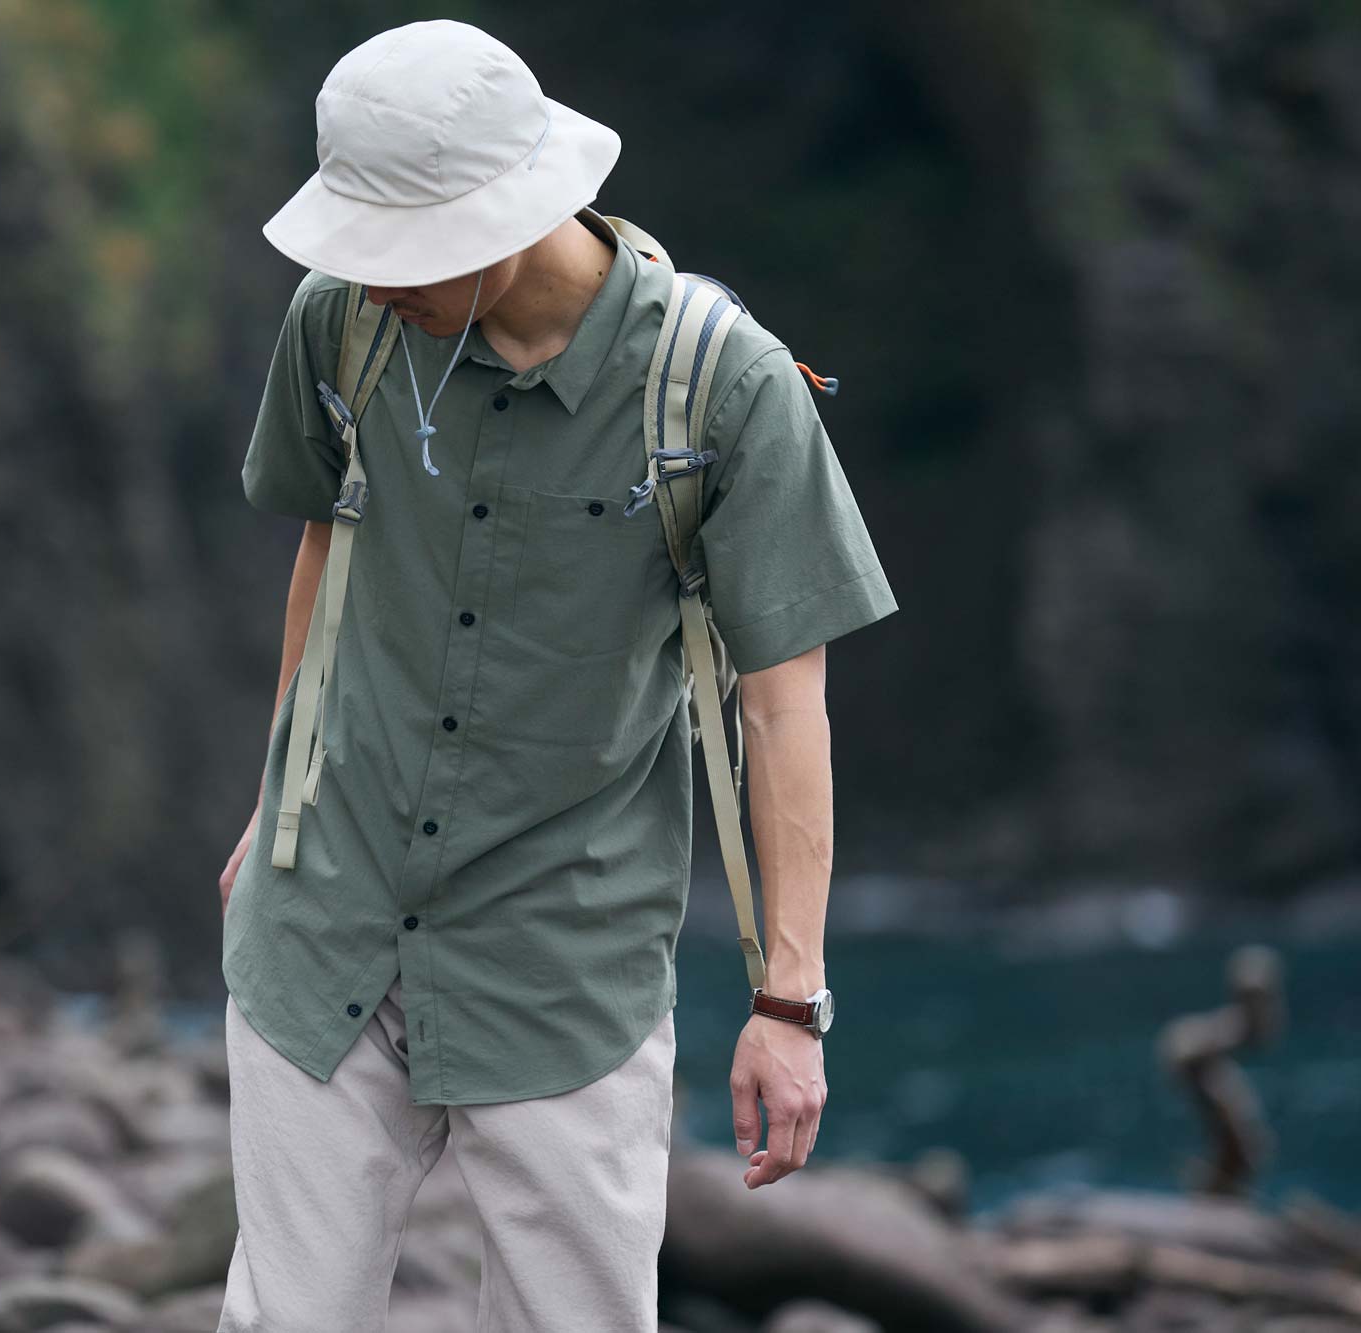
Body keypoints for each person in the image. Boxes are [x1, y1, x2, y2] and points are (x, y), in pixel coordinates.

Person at [214, 18, 898, 1332]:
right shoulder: (341, 322)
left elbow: (782, 706)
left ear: (512, 212)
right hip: (325, 917)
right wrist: (275, 794)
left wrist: (789, 1002)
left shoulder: (725, 389)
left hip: (562, 955)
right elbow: (324, 542)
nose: (371, 275)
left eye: (401, 244)